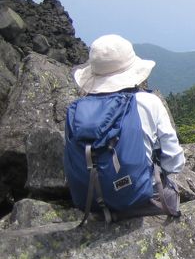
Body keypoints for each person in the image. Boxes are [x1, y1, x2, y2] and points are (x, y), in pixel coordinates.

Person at [69, 34, 185, 219]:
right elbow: (174, 161)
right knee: (171, 190)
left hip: (92, 204)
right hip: (143, 200)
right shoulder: (149, 102)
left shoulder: (78, 111)